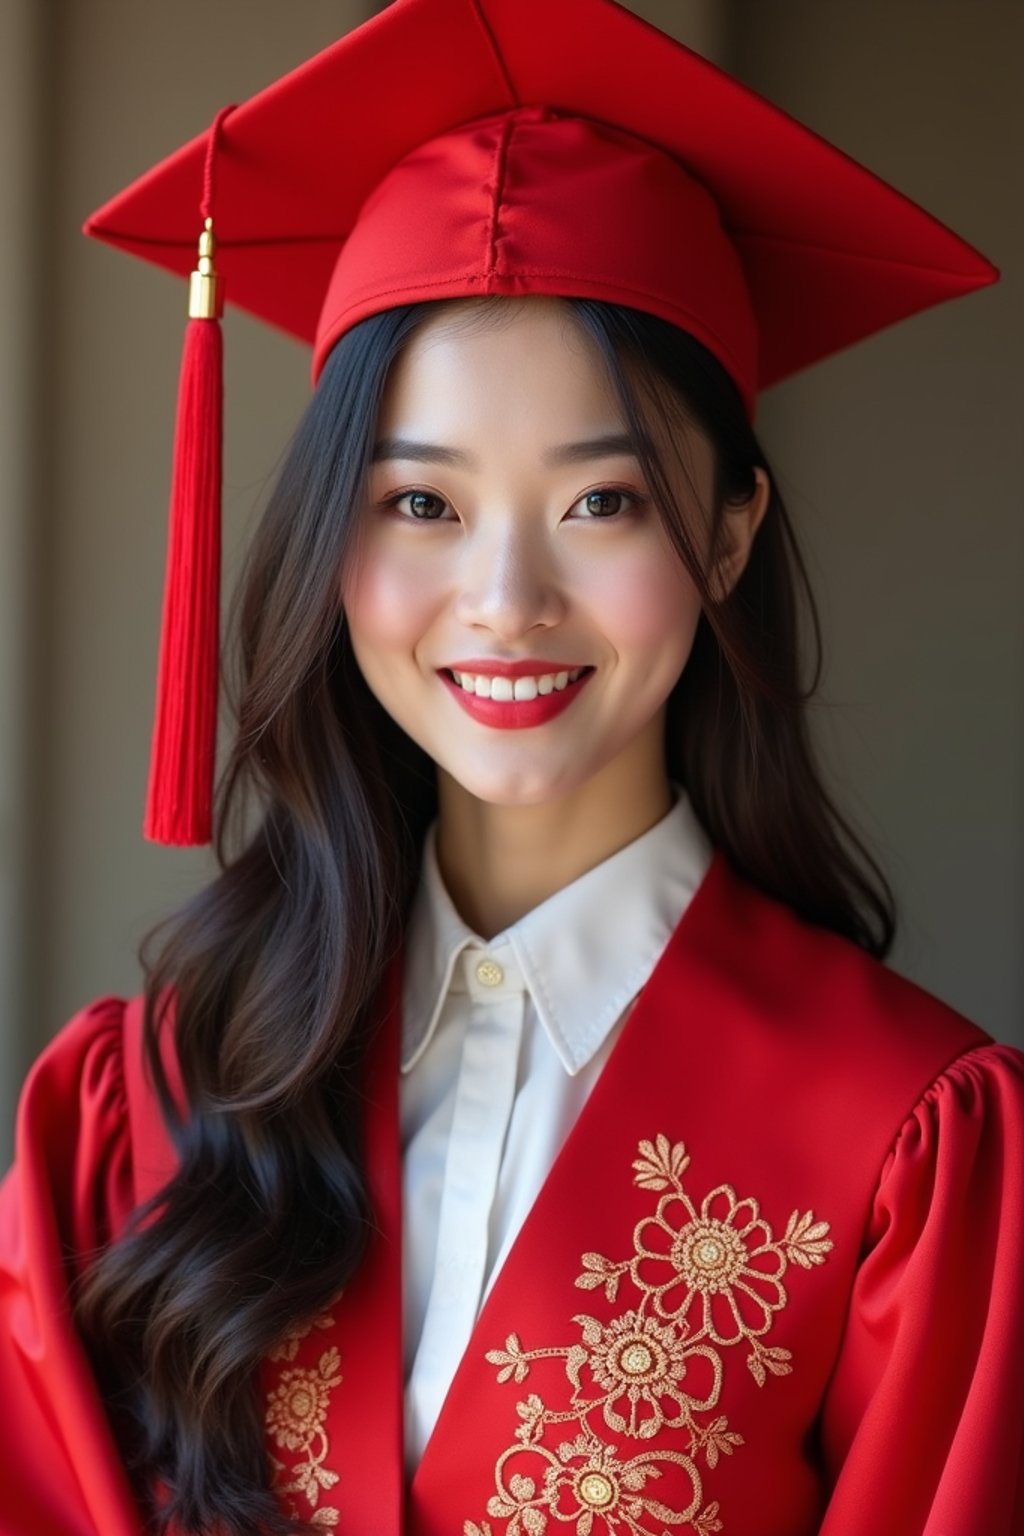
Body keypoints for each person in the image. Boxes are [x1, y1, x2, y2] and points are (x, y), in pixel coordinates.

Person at [1, 1, 1021, 1533]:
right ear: (335, 535)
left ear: (731, 534)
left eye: (600, 503)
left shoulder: (905, 1147)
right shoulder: (144, 1102)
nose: (505, 599)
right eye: (421, 505)